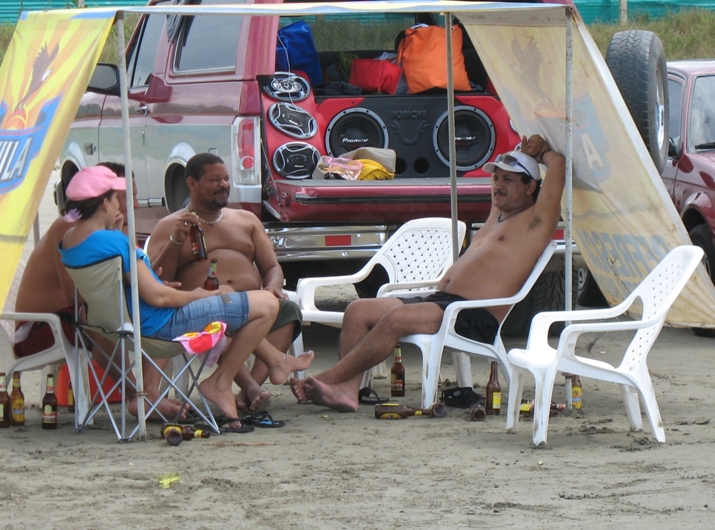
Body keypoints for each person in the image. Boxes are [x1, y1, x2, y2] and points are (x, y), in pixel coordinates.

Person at [290, 134, 566, 412]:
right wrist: (525, 150)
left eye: (508, 180)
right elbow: (515, 161)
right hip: (440, 300)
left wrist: (543, 153)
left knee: (396, 317)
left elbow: (558, 167)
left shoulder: (535, 223)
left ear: (531, 186)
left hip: (473, 314)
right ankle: (347, 390)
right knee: (358, 310)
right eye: (496, 178)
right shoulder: (500, 212)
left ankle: (331, 377)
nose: (498, 185)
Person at [58, 165, 313, 428]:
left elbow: (132, 284)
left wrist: (117, 231)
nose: (121, 206)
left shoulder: (70, 242)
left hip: (124, 326)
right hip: (164, 325)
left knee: (245, 302)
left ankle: (263, 369)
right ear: (104, 203)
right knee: (267, 304)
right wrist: (197, 295)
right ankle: (220, 382)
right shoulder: (116, 243)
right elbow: (158, 297)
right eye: (116, 199)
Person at [12, 162, 181, 420]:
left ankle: (148, 393)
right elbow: (78, 295)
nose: (136, 205)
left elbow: (127, 281)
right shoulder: (71, 229)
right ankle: (137, 395)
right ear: (104, 199)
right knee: (102, 318)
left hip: (72, 314)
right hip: (39, 328)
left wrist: (154, 287)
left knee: (153, 307)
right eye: (126, 196)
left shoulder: (110, 229)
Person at [148, 153, 306, 413]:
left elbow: (271, 267)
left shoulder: (246, 220)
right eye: (214, 180)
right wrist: (176, 240)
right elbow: (155, 277)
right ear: (192, 183)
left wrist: (273, 287)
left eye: (226, 179)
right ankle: (253, 384)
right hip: (205, 307)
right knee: (229, 318)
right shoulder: (169, 226)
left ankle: (249, 390)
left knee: (287, 311)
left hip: (254, 302)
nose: (224, 185)